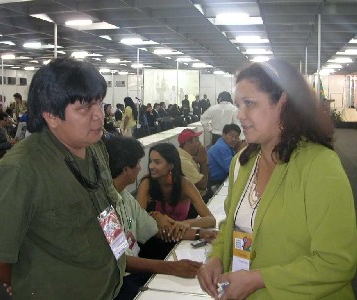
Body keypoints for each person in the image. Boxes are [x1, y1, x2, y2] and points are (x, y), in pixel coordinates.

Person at [197, 59, 357, 299]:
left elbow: (337, 262)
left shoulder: (319, 166)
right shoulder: (242, 163)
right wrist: (216, 257)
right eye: (239, 104)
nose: (240, 115)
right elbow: (230, 226)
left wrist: (258, 279)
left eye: (249, 104)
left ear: (283, 102)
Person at [0, 58, 125, 300]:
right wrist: (24, 281)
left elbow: (104, 207)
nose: (98, 116)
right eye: (84, 108)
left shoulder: (95, 148)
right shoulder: (21, 171)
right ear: (52, 116)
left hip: (108, 287)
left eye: (99, 103)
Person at [105, 136, 217, 300]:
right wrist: (171, 267)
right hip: (120, 283)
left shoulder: (126, 198)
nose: (141, 168)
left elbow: (155, 229)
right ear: (125, 169)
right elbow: (123, 262)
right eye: (137, 164)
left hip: (135, 272)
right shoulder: (104, 207)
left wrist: (200, 233)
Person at [137, 143, 216, 228]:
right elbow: (138, 219)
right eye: (151, 161)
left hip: (180, 237)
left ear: (171, 165)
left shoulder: (185, 184)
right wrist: (155, 216)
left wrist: (187, 223)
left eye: (157, 162)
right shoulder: (147, 183)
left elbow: (211, 220)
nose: (151, 166)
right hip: (155, 236)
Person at [177, 129, 208, 198]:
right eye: (197, 141)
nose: (200, 144)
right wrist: (203, 163)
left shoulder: (187, 156)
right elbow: (202, 185)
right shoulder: (183, 160)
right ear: (188, 144)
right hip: (192, 202)